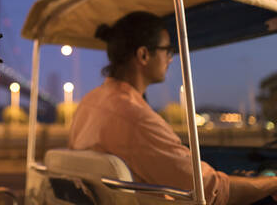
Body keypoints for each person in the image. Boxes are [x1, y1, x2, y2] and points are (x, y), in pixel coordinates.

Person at [68, 11, 277, 205]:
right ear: (143, 55)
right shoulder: (135, 117)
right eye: (167, 49)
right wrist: (271, 183)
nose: (170, 57)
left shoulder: (89, 103)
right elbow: (208, 190)